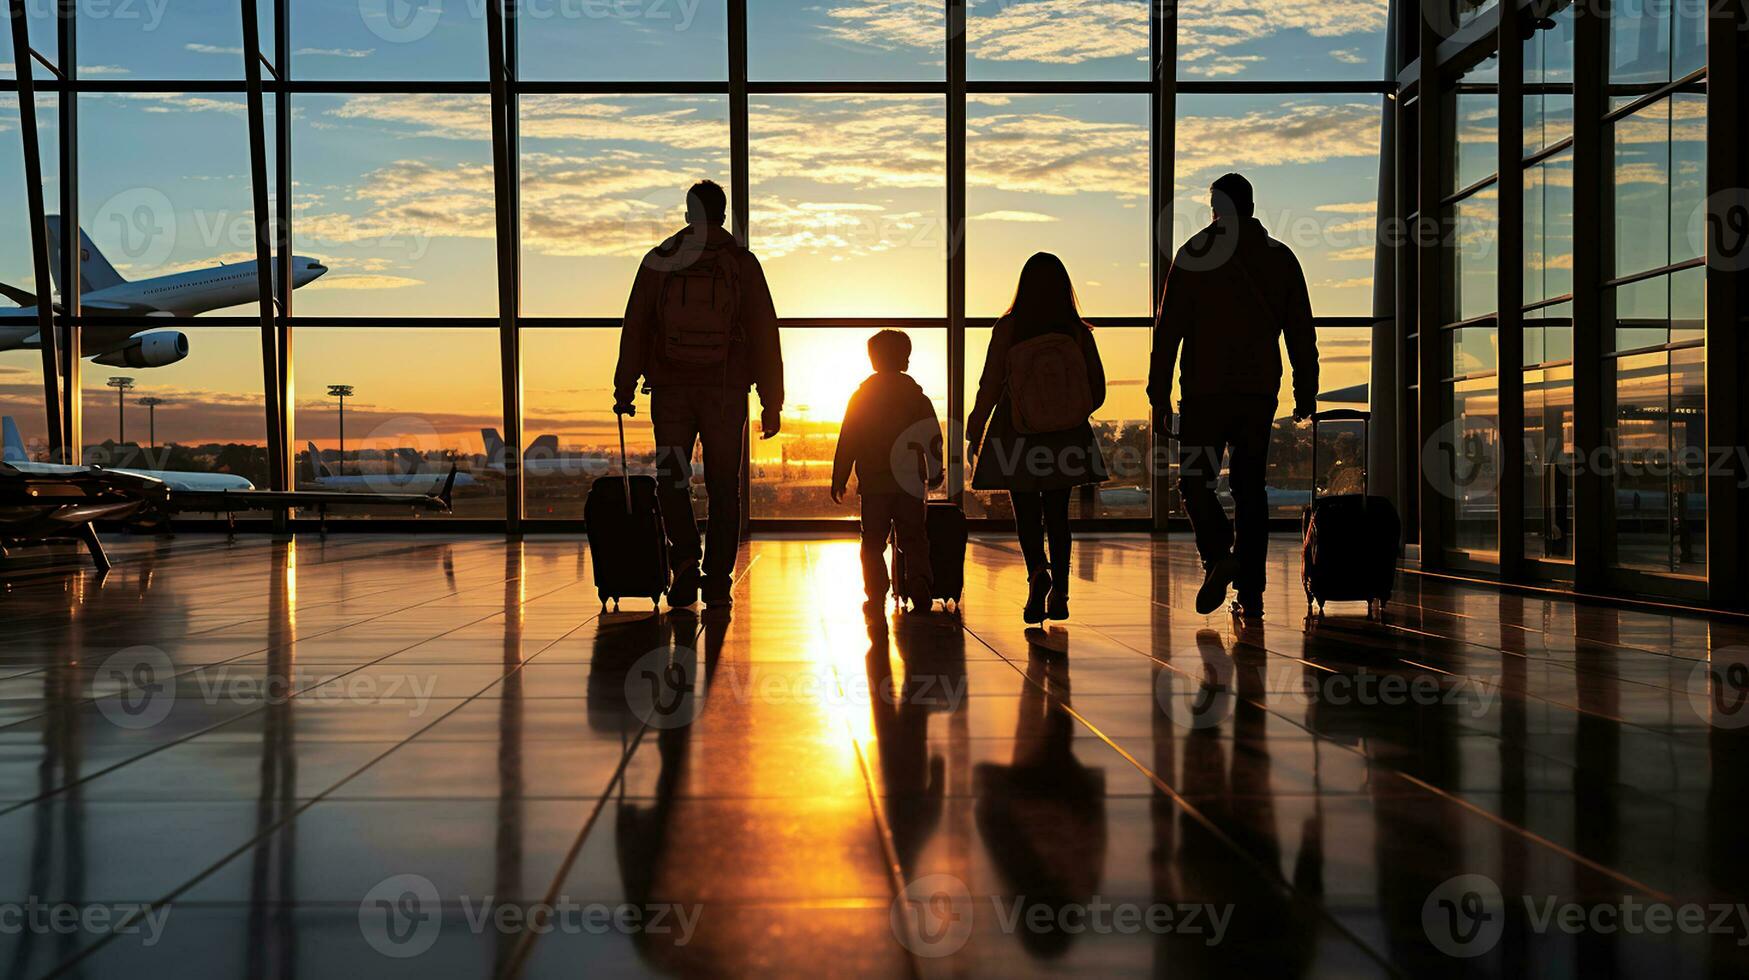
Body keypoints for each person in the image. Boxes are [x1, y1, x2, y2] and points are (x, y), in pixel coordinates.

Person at [1149, 173, 1318, 620]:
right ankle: (1252, 592)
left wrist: (1158, 392)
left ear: (1216, 208)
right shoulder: (1280, 258)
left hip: (1204, 393)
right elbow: (1300, 331)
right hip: (1258, 393)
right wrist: (1306, 389)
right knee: (1249, 489)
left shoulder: (1194, 255)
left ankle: (1218, 555)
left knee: (1193, 482)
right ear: (1251, 205)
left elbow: (1169, 332)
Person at [614, 180, 783, 608]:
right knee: (725, 486)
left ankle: (685, 565)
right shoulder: (742, 264)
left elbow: (636, 325)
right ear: (724, 215)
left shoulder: (660, 260)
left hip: (670, 390)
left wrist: (625, 385)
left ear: (689, 214)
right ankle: (719, 577)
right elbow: (765, 333)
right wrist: (772, 399)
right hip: (725, 390)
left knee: (672, 480)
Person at [967, 252, 1108, 623]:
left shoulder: (1009, 328)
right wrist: (1070, 414)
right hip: (1065, 436)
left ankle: (1037, 575)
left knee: (1027, 513)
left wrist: (975, 427)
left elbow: (990, 384)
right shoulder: (1077, 331)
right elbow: (1098, 388)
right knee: (1058, 515)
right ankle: (1060, 592)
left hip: (1016, 432)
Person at [831, 329, 944, 616]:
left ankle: (876, 590)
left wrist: (840, 476)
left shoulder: (861, 398)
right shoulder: (917, 398)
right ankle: (919, 582)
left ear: (872, 360)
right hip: (909, 481)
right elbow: (931, 435)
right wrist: (934, 468)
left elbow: (849, 438)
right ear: (905, 360)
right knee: (914, 536)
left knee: (872, 540)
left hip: (874, 482)